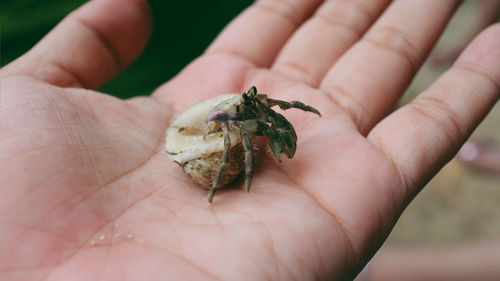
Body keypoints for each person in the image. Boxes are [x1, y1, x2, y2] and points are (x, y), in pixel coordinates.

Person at [1, 0, 499, 280]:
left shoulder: (254, 112)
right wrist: (222, 180)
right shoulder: (225, 127)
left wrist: (287, 113)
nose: (266, 104)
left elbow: (274, 112)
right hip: (217, 147)